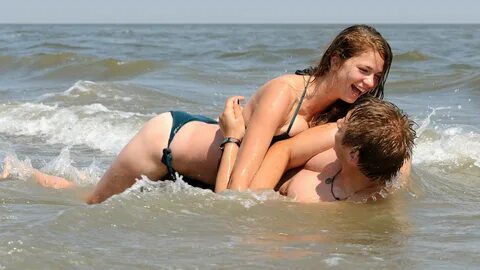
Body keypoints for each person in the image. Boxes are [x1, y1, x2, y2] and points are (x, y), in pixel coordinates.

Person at [1, 25, 393, 204]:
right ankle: (19, 173)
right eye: (363, 70)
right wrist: (232, 135)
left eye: (377, 75)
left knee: (90, 189)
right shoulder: (284, 95)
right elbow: (237, 191)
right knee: (88, 202)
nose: (370, 82)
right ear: (337, 58)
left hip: (204, 170)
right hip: (165, 144)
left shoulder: (343, 112)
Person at [216, 95, 416, 202]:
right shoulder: (391, 155)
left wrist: (232, 138)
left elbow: (232, 205)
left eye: (342, 126)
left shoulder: (310, 201)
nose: (337, 123)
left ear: (354, 155)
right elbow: (283, 150)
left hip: (215, 160)